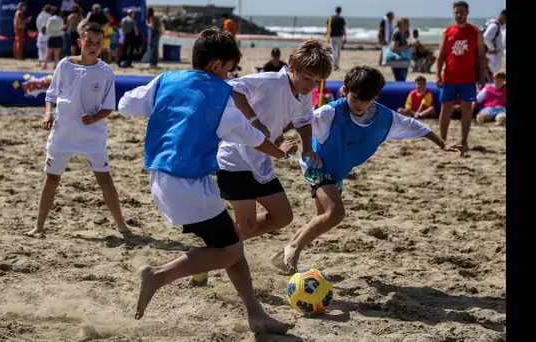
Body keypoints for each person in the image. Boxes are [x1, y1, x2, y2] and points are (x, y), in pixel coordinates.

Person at [117, 27, 293, 335]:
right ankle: (157, 275)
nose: (228, 75)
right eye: (228, 69)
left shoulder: (166, 80)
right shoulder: (220, 96)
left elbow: (126, 104)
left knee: (231, 245)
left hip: (159, 177)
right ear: (216, 66)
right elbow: (253, 138)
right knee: (232, 250)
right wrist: (280, 154)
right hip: (188, 183)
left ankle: (255, 314)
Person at [270, 66, 462, 273]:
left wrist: (442, 144)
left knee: (323, 216)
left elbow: (415, 126)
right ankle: (293, 248)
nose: (360, 104)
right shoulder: (330, 113)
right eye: (355, 97)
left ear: (375, 96)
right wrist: (281, 140)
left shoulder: (384, 118)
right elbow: (299, 121)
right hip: (317, 164)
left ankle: (283, 254)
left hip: (337, 172)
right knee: (335, 213)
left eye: (367, 99)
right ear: (345, 90)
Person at [196, 39, 332, 286]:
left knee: (282, 216)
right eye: (307, 78)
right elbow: (233, 89)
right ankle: (207, 258)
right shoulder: (270, 81)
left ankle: (215, 247)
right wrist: (254, 119)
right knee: (246, 228)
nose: (311, 86)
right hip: (235, 159)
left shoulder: (303, 95)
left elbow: (303, 121)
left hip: (261, 162)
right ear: (292, 66)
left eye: (317, 82)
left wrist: (307, 148)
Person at [28, 22, 133, 237]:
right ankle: (38, 226)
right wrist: (48, 113)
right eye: (89, 42)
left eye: (98, 43)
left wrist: (94, 118)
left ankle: (122, 225)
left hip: (92, 136)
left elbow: (108, 108)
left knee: (105, 180)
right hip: (63, 134)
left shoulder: (105, 71)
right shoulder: (65, 65)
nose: (94, 46)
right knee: (51, 178)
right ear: (79, 42)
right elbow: (51, 95)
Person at [436, 1, 487, 149]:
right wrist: (438, 75)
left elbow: (482, 57)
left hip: (468, 78)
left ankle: (464, 141)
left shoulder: (476, 32)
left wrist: (482, 77)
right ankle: (442, 141)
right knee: (446, 108)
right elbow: (441, 55)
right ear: (454, 13)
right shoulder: (447, 32)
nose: (459, 15)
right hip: (450, 77)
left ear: (467, 12)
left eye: (462, 12)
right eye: (457, 12)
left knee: (467, 109)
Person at [483, 9, 506, 80]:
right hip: (493, 56)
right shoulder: (494, 26)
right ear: (502, 16)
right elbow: (486, 37)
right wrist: (492, 49)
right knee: (494, 76)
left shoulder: (493, 24)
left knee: (492, 75)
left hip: (492, 55)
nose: (505, 22)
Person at [388, 17, 413, 81]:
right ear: (402, 24)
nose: (408, 24)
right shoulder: (397, 34)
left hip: (402, 62)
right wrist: (407, 46)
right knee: (400, 80)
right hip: (398, 62)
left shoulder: (402, 33)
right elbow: (394, 49)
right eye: (407, 23)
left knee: (402, 80)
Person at [327, 6, 346, 71]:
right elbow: (343, 29)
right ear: (340, 11)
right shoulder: (341, 19)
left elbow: (328, 28)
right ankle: (336, 65)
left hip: (332, 37)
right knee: (337, 52)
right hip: (339, 37)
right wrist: (345, 37)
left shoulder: (331, 18)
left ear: (335, 11)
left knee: (333, 51)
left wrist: (327, 36)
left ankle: (334, 65)